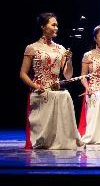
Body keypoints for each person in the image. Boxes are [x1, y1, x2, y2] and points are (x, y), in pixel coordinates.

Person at [20, 13, 83, 149]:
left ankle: (63, 139)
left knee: (64, 95)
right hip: (39, 90)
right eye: (53, 25)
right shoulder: (32, 48)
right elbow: (23, 74)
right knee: (53, 95)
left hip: (55, 88)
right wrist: (35, 85)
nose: (56, 28)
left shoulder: (60, 48)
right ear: (43, 26)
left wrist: (69, 60)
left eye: (57, 25)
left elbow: (67, 75)